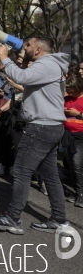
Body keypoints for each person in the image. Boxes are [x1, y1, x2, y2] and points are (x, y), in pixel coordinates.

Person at [0, 37, 72, 235]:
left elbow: (21, 78)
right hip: (49, 126)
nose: (26, 47)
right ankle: (59, 219)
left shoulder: (47, 64)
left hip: (41, 127)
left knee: (22, 171)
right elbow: (23, 77)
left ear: (39, 50)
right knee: (50, 176)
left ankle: (12, 218)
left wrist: (4, 58)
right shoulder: (50, 64)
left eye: (29, 45)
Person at [63, 74, 83, 207]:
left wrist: (79, 114)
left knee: (77, 164)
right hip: (67, 134)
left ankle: (81, 193)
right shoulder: (67, 98)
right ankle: (76, 190)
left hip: (80, 135)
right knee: (70, 163)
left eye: (73, 91)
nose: (71, 94)